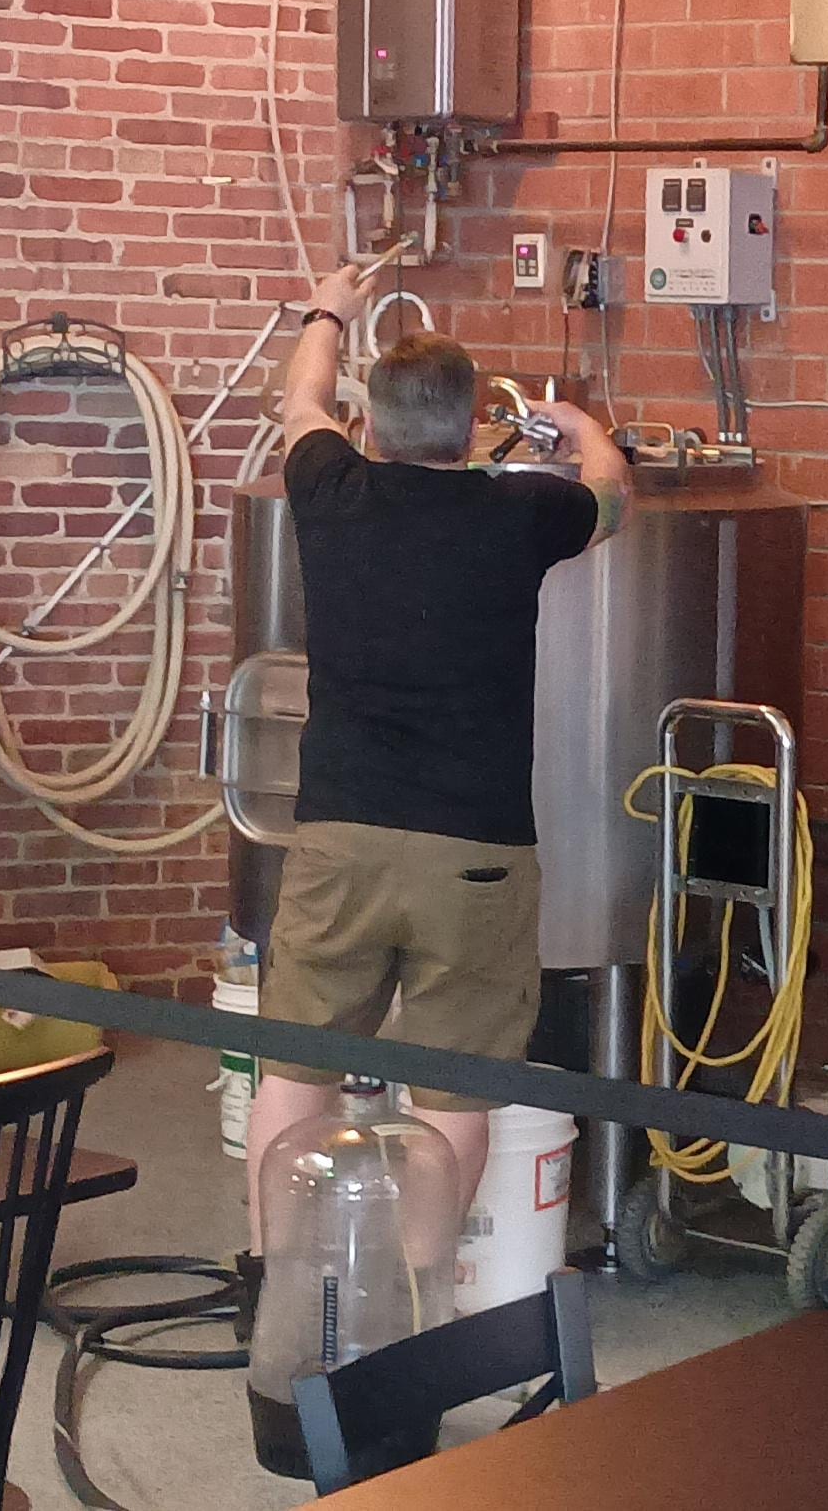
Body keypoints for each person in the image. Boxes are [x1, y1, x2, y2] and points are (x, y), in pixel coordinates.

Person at [243, 256, 630, 1244]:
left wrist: (329, 310)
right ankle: (418, 1294)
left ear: (371, 426)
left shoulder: (328, 488)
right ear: (469, 431)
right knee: (453, 1091)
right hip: (478, 850)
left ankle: (274, 1272)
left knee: (294, 1068)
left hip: (342, 835)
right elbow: (612, 498)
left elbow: (300, 400)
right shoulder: (521, 513)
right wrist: (582, 428)